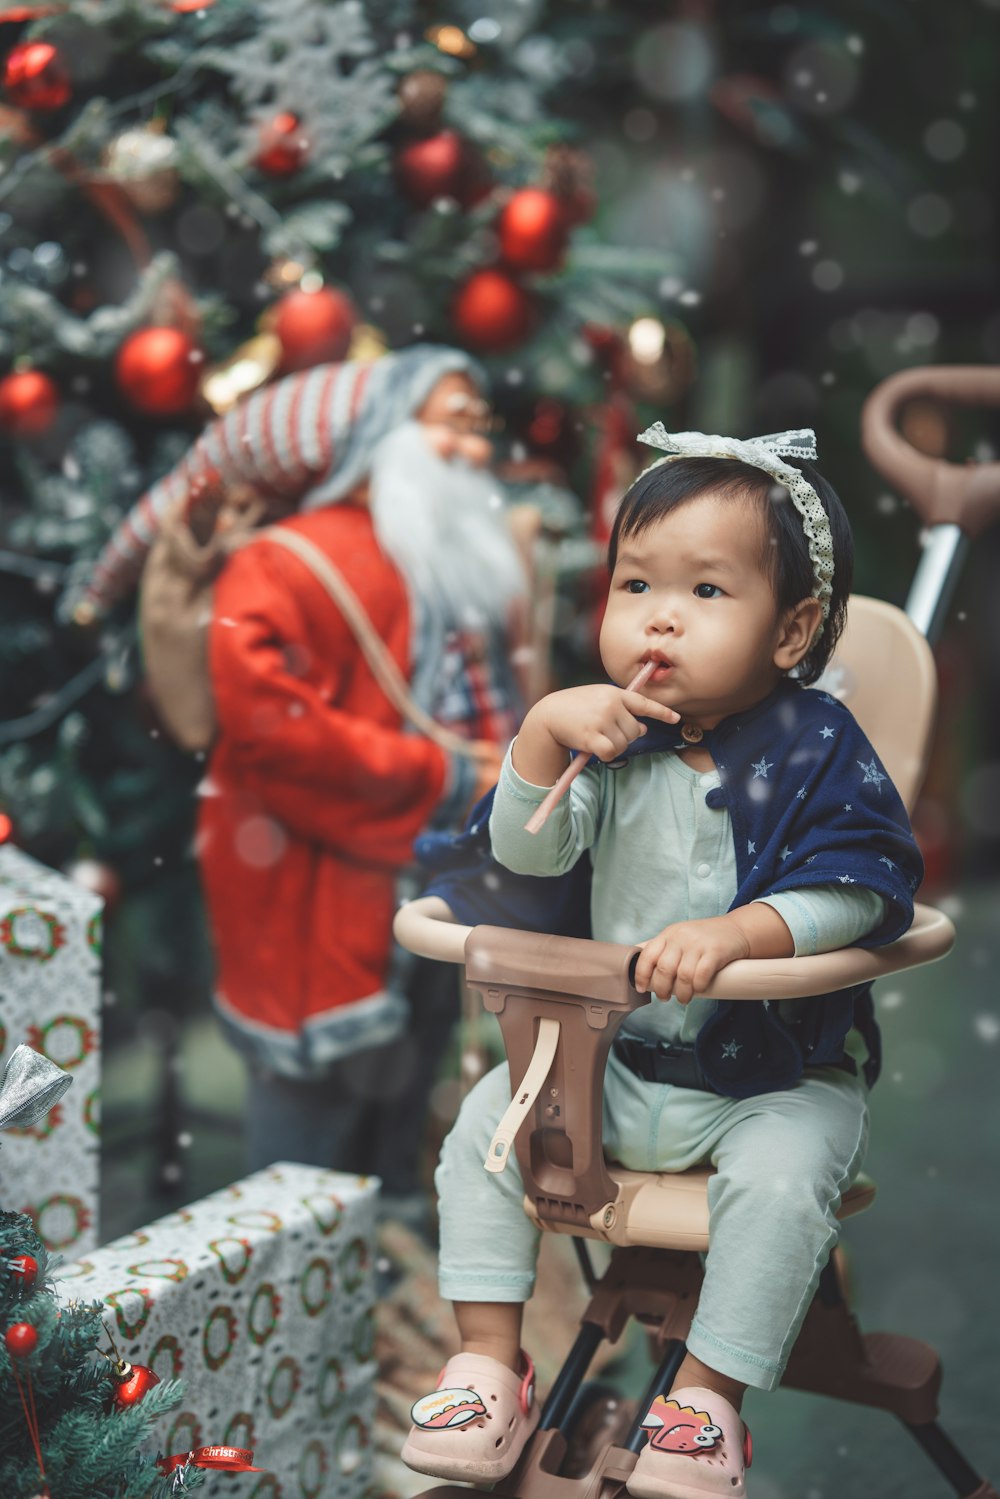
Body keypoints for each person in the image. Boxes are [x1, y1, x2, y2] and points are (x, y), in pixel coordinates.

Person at [400, 425, 922, 1496]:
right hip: (610, 1065)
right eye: (635, 581)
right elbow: (528, 852)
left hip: (772, 1076)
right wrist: (546, 734)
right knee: (481, 1128)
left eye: (705, 590)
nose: (659, 614)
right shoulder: (611, 737)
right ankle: (490, 1360)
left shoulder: (817, 747)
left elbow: (861, 881)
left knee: (783, 1180)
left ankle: (705, 1397)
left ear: (795, 628)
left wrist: (742, 934)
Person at [75, 345, 531, 1199]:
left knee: (400, 1124)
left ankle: (381, 1283)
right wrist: (441, 774)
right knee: (304, 1161)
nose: (475, 453)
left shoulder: (457, 558)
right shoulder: (288, 562)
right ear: (383, 437)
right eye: (453, 427)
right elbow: (278, 741)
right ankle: (298, 1306)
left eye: (483, 429)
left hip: (445, 889)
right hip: (323, 898)